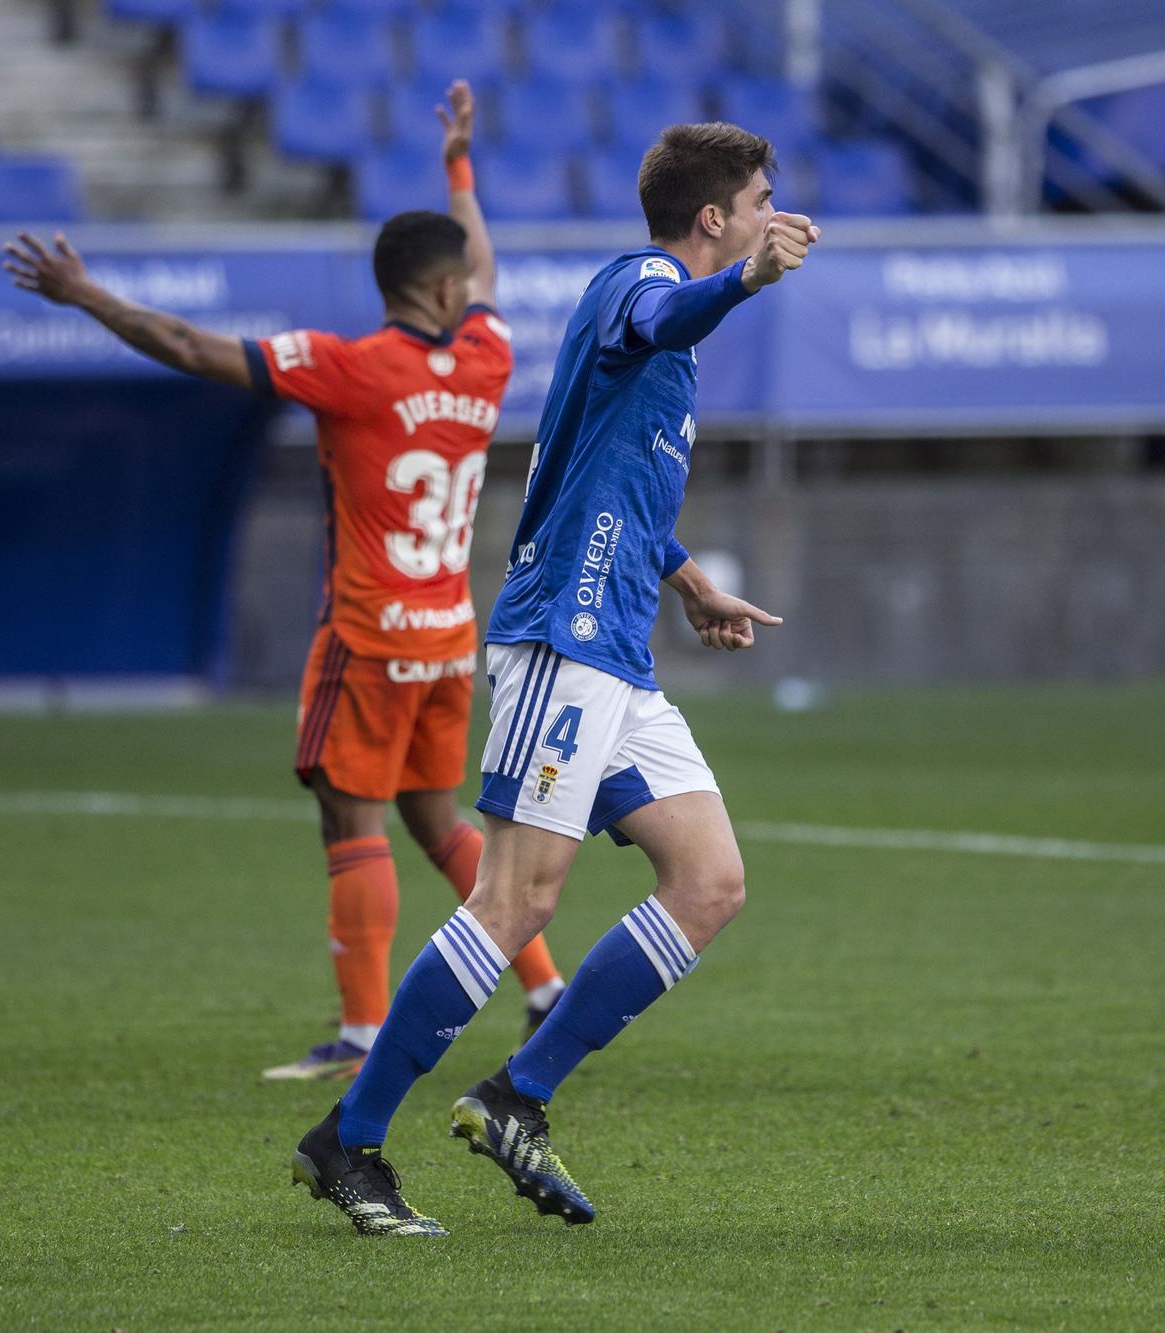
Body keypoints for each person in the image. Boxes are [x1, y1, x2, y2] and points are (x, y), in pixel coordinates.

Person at [289, 121, 819, 1236]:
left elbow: (603, 470)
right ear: (715, 215)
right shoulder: (646, 282)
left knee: (710, 881)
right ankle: (350, 1139)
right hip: (563, 639)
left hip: (621, 650)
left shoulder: (669, 328)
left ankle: (514, 1096)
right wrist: (747, 286)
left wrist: (684, 579)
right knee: (514, 898)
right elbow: (664, 311)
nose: (775, 213)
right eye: (761, 199)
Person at [2, 81, 565, 1084]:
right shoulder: (487, 354)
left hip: (366, 636)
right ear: (446, 292)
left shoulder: (348, 366)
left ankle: (359, 1033)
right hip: (445, 634)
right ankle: (543, 985)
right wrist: (459, 167)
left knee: (350, 817)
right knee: (438, 817)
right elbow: (483, 264)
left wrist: (86, 296)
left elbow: (187, 347)